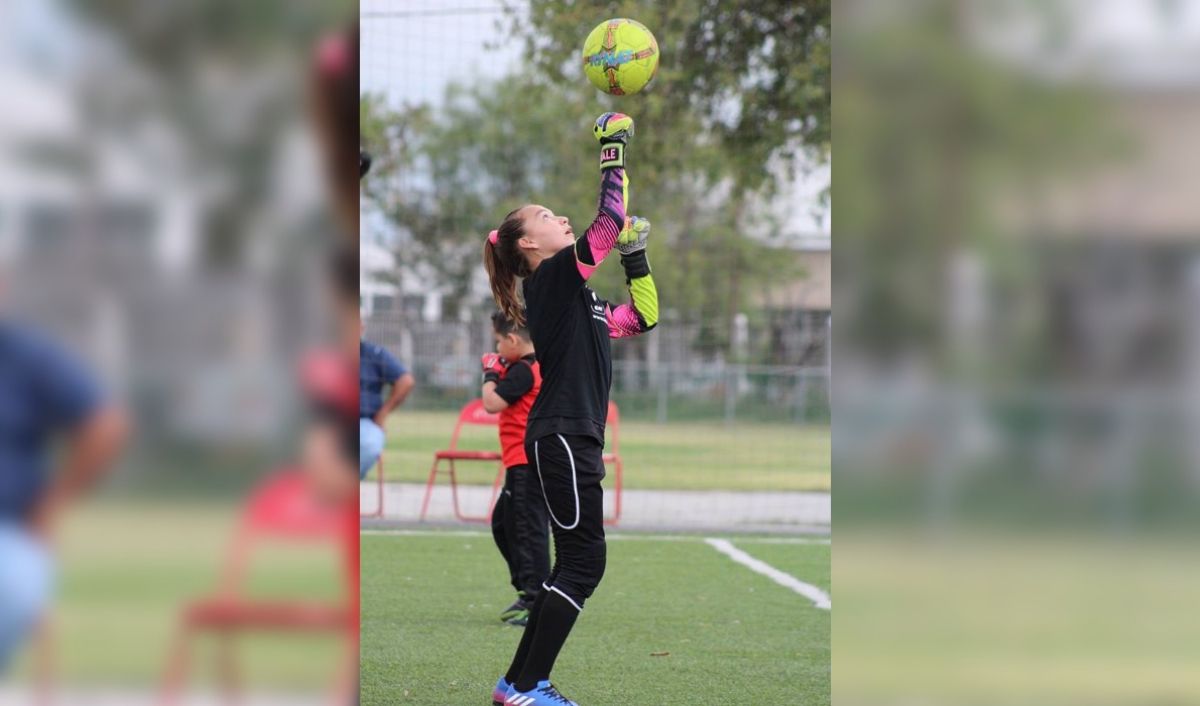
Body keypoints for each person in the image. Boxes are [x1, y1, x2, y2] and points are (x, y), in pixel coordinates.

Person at [483, 113, 659, 706]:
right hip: (559, 436)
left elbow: (640, 319)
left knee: (574, 567)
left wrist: (636, 257)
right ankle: (526, 685)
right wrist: (613, 146)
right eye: (544, 217)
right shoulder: (552, 280)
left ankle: (518, 684)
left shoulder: (574, 294)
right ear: (529, 244)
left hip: (570, 437)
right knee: (583, 564)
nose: (558, 218)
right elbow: (607, 221)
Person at [0, 321, 128, 673]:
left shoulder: (26, 357)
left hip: (8, 528)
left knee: (12, 588)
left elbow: (106, 425)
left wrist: (54, 500)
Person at [480, 311, 549, 628]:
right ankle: (528, 588)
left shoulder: (523, 371)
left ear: (511, 340)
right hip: (522, 460)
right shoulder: (532, 365)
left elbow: (492, 404)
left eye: (498, 342)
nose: (496, 348)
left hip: (525, 462)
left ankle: (536, 599)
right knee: (503, 524)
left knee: (527, 530)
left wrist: (490, 374)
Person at [359, 330, 414, 479]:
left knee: (370, 445)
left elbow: (405, 381)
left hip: (365, 421)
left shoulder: (374, 354)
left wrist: (383, 413)